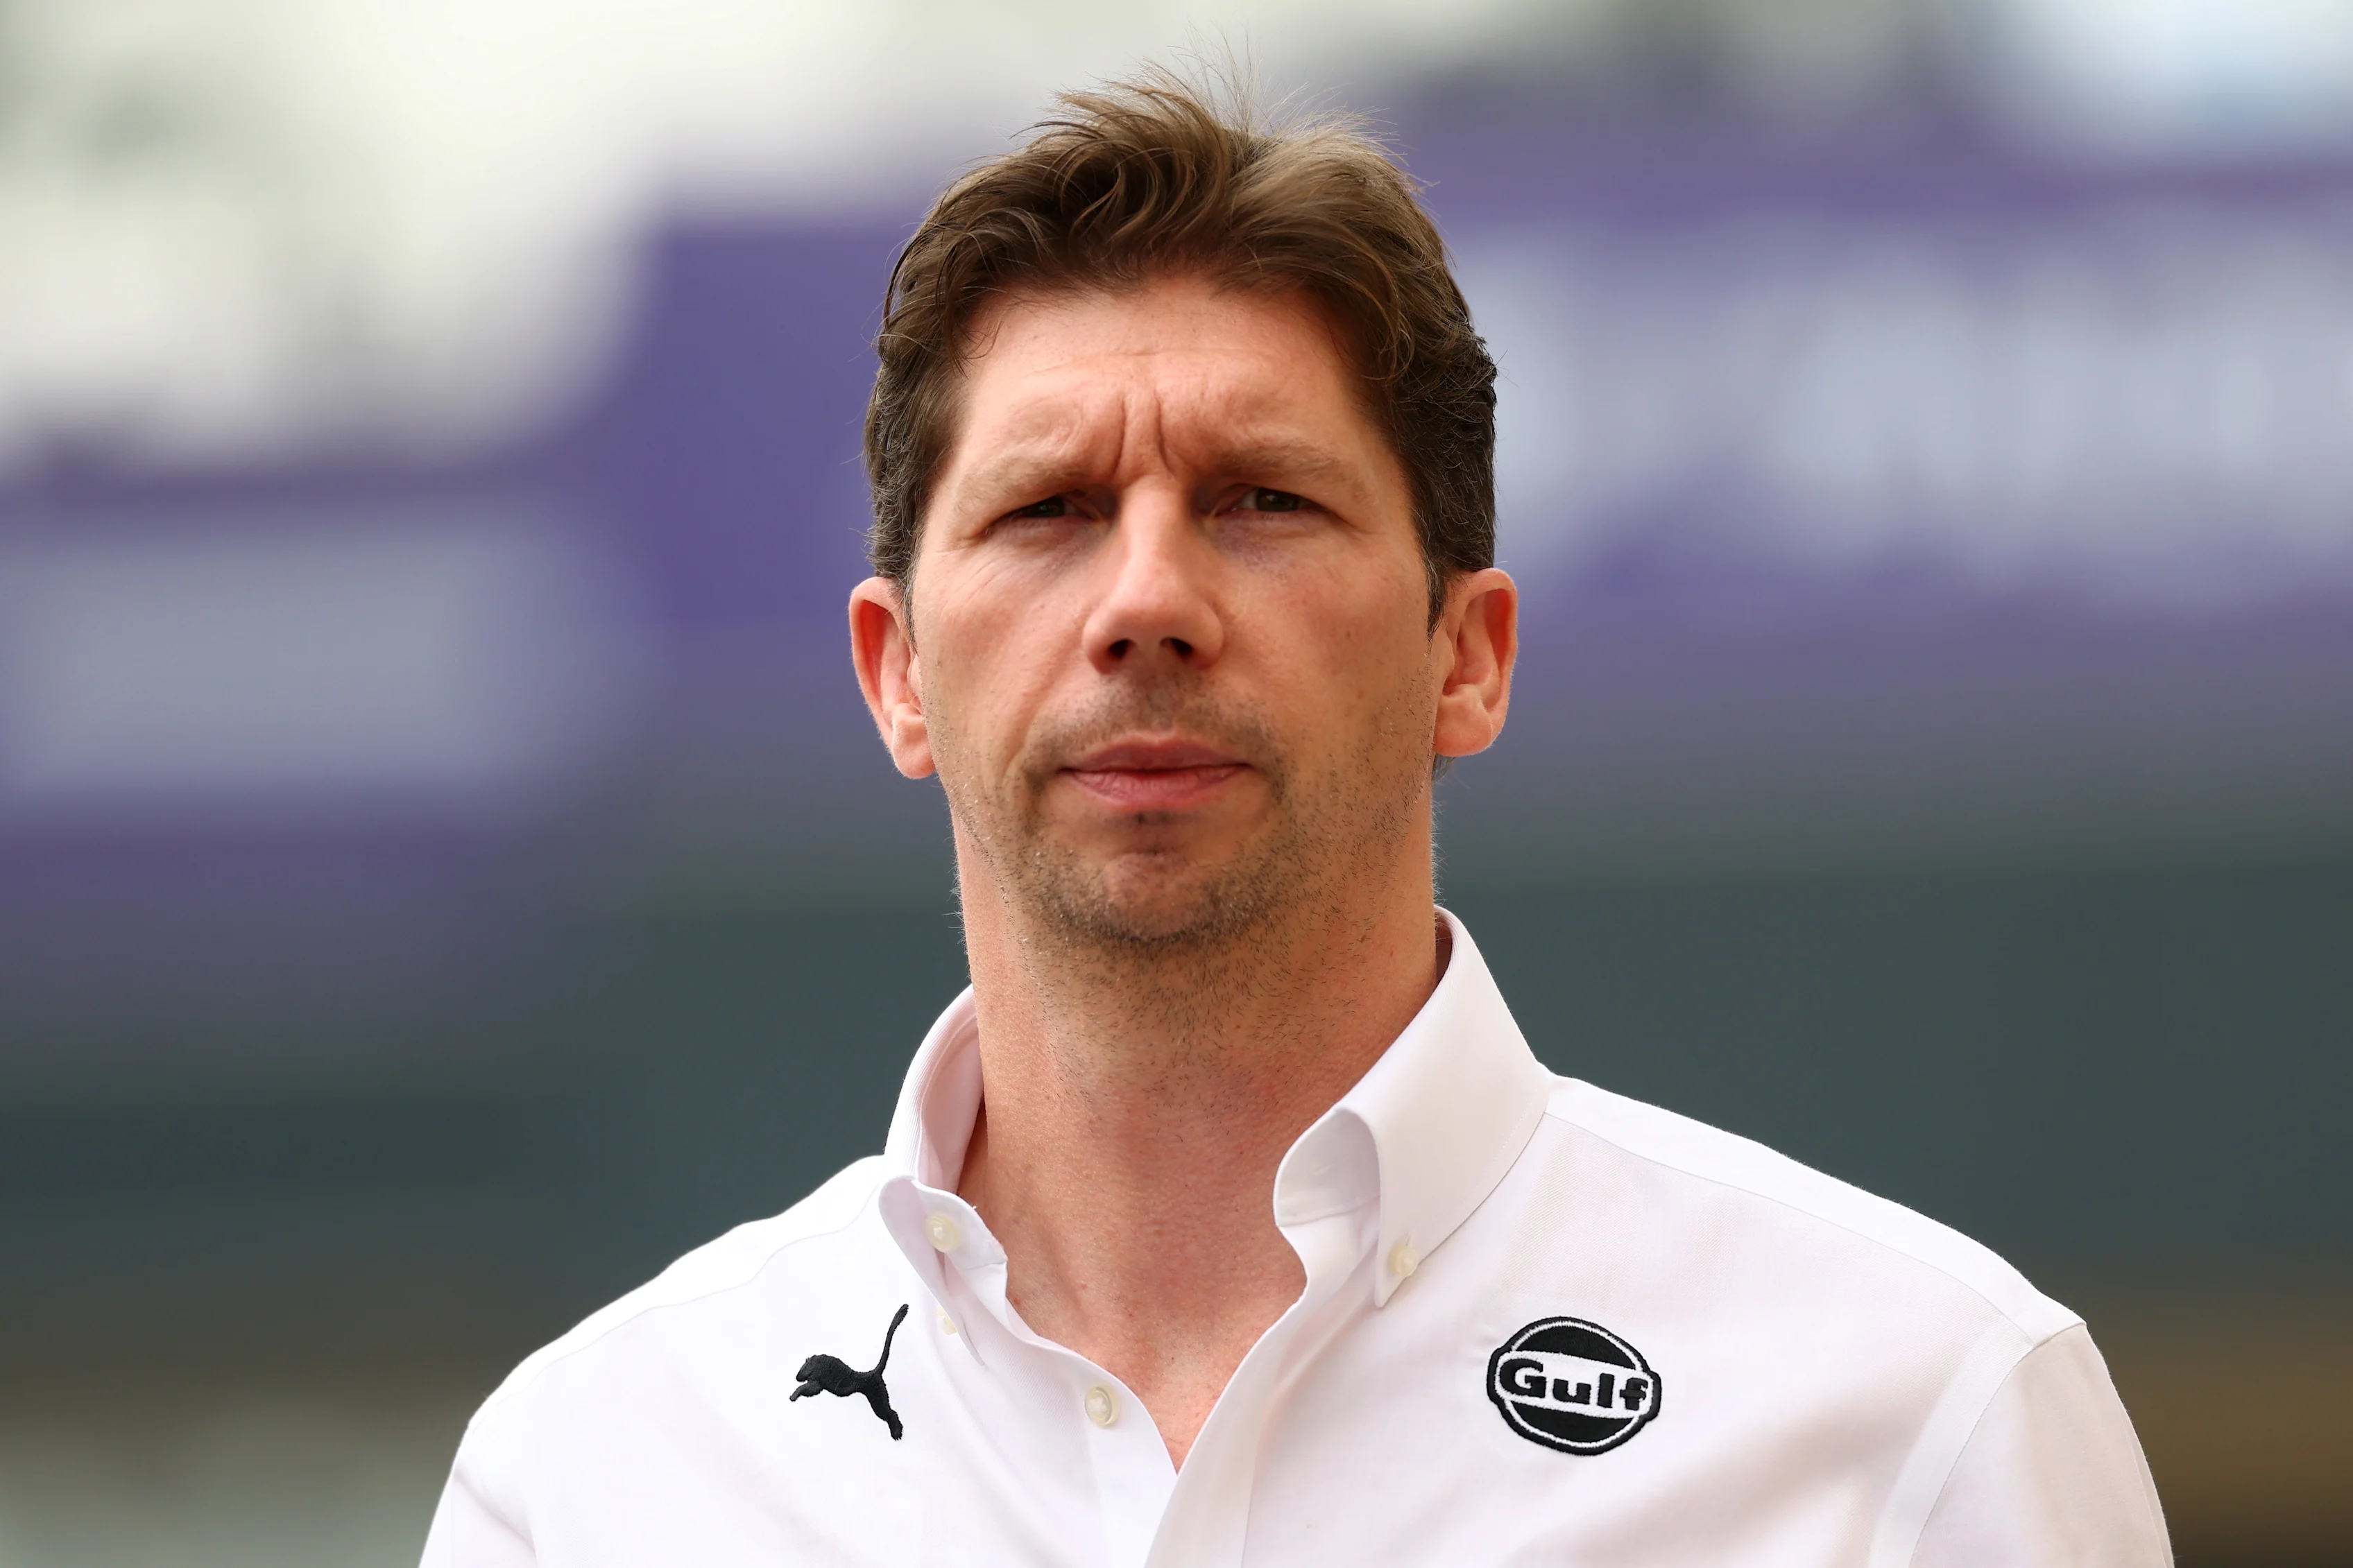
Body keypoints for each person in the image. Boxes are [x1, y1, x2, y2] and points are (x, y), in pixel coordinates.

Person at [421, 73, 2171, 1567]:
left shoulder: (1917, 1412)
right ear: (897, 675)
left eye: (1260, 499)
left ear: (1466, 656)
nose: (1146, 601)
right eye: (1048, 509)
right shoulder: (594, 1477)